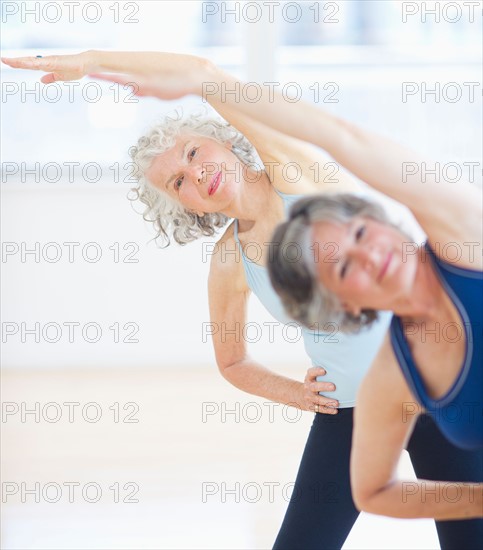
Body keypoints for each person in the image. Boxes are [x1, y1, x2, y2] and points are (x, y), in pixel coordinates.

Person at [3, 50, 482, 545]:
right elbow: (232, 362)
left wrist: (93, 61)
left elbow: (209, 77)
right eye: (178, 182)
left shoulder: (296, 175)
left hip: (436, 390)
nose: (195, 175)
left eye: (193, 153)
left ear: (226, 142)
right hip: (351, 409)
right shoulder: (230, 259)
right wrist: (297, 393)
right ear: (181, 206)